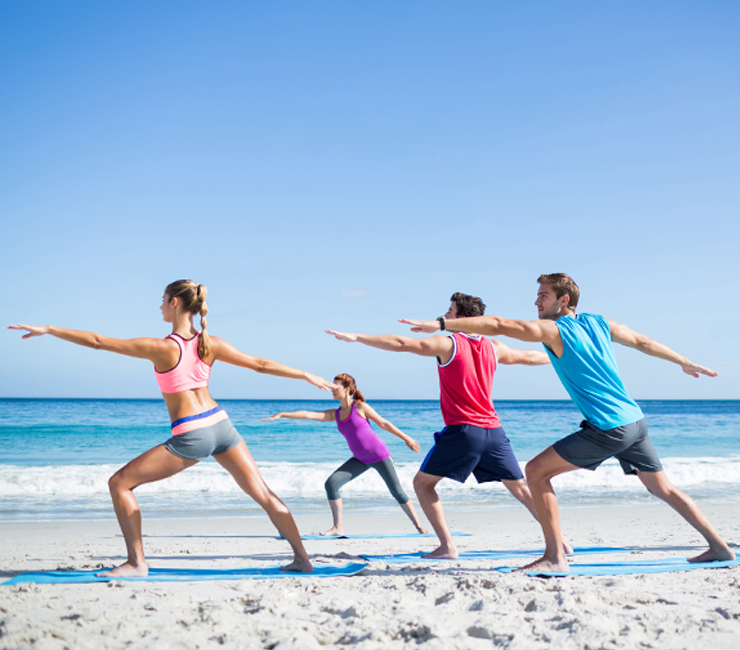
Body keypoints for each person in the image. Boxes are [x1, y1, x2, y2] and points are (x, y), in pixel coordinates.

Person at [401, 274, 735, 573]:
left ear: (564, 301)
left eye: (543, 295)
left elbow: (501, 325)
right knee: (663, 488)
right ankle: (719, 547)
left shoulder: (554, 329)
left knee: (535, 471)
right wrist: (685, 362)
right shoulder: (599, 322)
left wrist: (444, 326)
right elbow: (643, 342)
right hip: (635, 420)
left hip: (608, 426)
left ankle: (554, 556)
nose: (536, 301)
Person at [9, 279, 336, 576]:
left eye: (163, 300)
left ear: (176, 303)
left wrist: (51, 329)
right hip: (222, 425)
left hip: (193, 433)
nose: (160, 306)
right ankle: (302, 559)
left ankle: (137, 563)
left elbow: (98, 342)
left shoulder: (163, 347)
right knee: (263, 494)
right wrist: (305, 374)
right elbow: (261, 365)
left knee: (120, 484)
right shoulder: (211, 343)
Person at [326, 292, 558, 559]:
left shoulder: (449, 344)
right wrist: (566, 354)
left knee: (422, 485)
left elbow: (402, 343)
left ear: (463, 318)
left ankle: (447, 546)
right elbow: (530, 357)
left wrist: (357, 337)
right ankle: (560, 541)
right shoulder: (494, 347)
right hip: (495, 431)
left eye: (450, 311)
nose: (445, 316)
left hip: (464, 431)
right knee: (520, 488)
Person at [262, 373, 428, 536]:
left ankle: (419, 525)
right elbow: (309, 414)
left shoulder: (360, 407)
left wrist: (407, 438)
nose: (332, 390)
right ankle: (337, 527)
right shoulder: (335, 414)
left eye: (335, 387)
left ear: (347, 388)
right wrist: (283, 414)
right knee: (331, 484)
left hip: (379, 456)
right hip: (360, 459)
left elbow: (384, 424)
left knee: (397, 491)